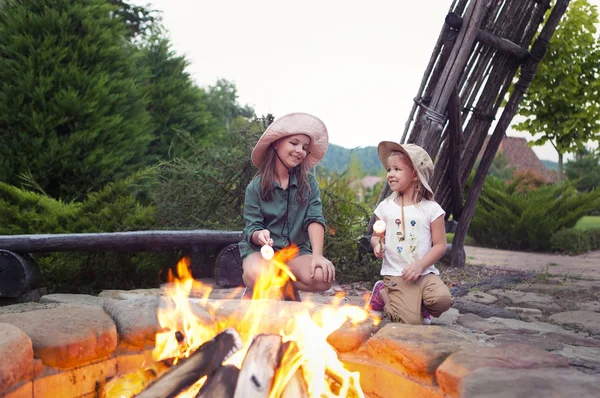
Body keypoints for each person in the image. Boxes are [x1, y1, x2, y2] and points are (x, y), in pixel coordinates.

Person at [239, 112, 335, 300]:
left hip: (296, 252)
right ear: (276, 143)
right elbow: (252, 227)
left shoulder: (309, 183)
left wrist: (317, 256)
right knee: (260, 275)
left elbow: (314, 218)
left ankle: (281, 286)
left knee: (323, 277)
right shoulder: (255, 187)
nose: (300, 150)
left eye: (305, 147)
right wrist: (260, 235)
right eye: (294, 143)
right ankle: (258, 282)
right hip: (263, 254)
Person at [368, 141, 453, 324]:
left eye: (397, 169)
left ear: (416, 175)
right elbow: (376, 236)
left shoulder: (431, 209)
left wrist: (420, 266)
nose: (390, 174)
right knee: (408, 323)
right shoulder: (385, 208)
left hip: (424, 274)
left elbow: (440, 245)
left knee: (442, 301)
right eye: (389, 169)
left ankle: (420, 304)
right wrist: (377, 246)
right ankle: (381, 292)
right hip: (396, 274)